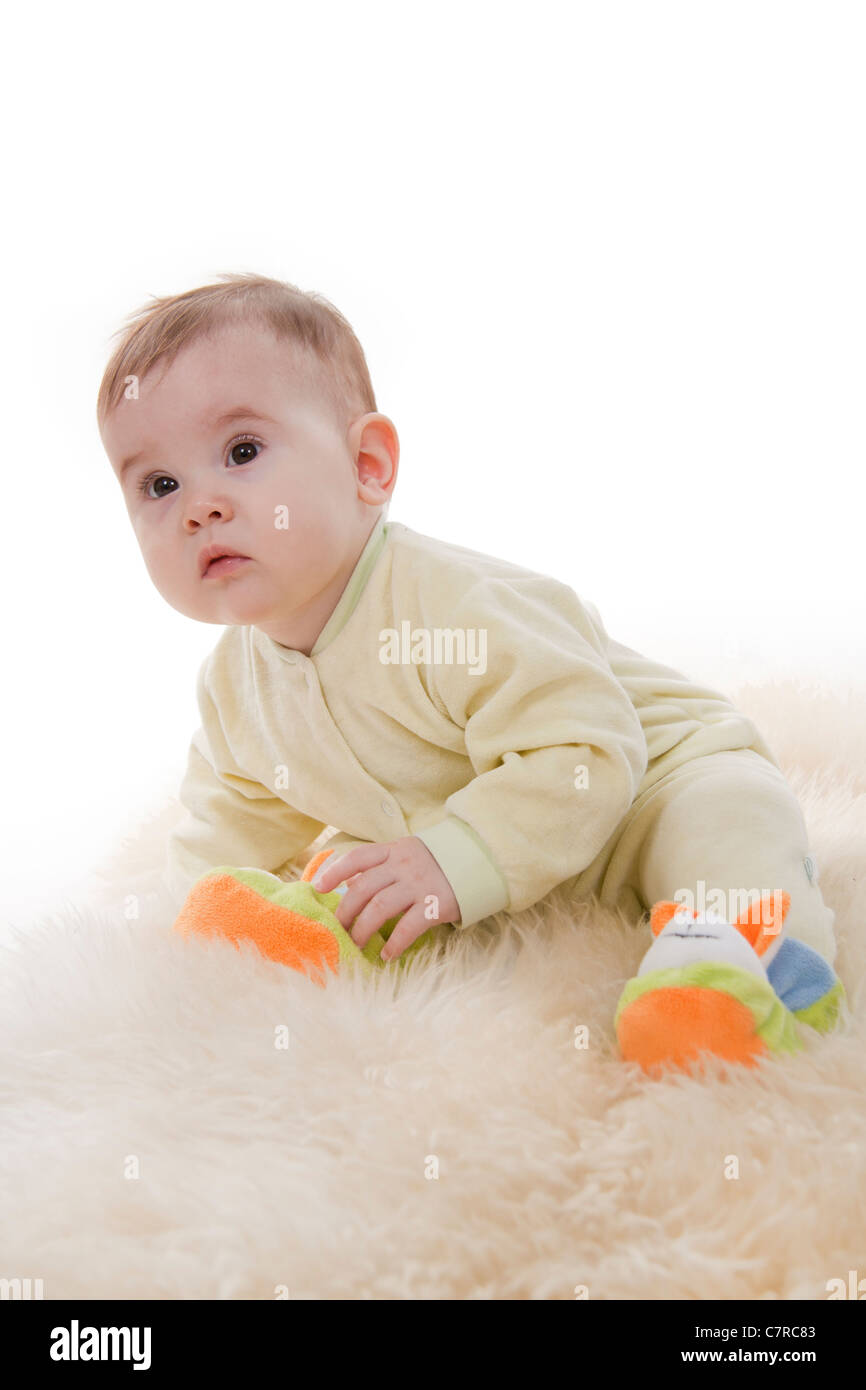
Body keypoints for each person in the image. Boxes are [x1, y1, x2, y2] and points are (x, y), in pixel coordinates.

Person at [97, 272, 843, 1059]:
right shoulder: (234, 690)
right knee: (352, 875)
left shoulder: (450, 606)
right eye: (159, 484)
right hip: (495, 845)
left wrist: (452, 859)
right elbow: (229, 827)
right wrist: (183, 932)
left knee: (728, 836)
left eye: (242, 451)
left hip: (651, 785)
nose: (198, 506)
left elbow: (588, 751)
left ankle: (737, 992)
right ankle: (305, 941)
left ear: (368, 466)